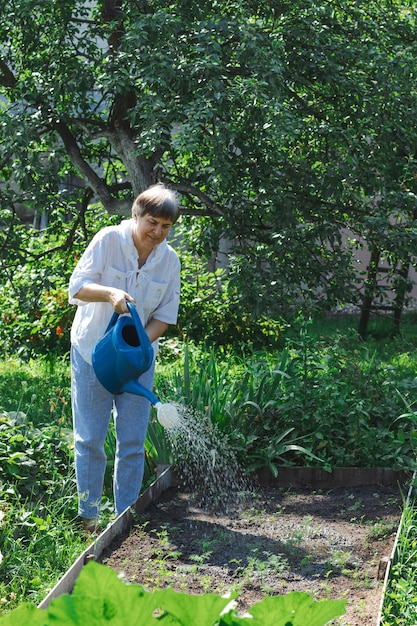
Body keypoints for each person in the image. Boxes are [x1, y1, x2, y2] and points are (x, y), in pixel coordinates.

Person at [68, 183, 181, 532]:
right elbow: (77, 287)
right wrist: (111, 293)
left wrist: (136, 349)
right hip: (92, 354)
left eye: (165, 226)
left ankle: (124, 519)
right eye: (152, 222)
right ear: (135, 215)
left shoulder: (169, 261)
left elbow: (165, 315)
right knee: (90, 439)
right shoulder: (107, 241)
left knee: (132, 441)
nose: (157, 232)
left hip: (137, 362)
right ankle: (89, 518)